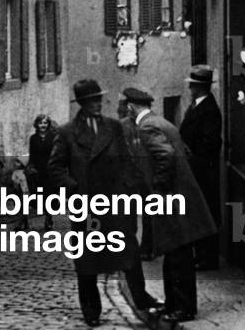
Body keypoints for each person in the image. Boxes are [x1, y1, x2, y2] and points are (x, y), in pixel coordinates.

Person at [47, 78, 160, 327]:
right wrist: (74, 188)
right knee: (87, 260)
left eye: (99, 99)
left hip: (115, 201)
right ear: (82, 104)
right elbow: (55, 168)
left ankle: (141, 298)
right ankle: (91, 310)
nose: (98, 104)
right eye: (92, 101)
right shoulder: (67, 132)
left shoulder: (113, 127)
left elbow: (127, 161)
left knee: (128, 251)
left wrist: (132, 193)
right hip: (86, 206)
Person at [123, 86, 217, 324]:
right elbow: (185, 152)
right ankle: (174, 303)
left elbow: (166, 156)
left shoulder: (146, 127)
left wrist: (159, 189)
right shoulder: (163, 122)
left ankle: (183, 308)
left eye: (127, 107)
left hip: (170, 199)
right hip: (180, 196)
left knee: (177, 255)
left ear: (132, 107)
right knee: (175, 252)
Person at [179, 65, 222, 270]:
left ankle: (208, 257)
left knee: (205, 213)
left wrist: (193, 158)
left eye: (193, 86)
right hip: (196, 169)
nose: (190, 89)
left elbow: (210, 142)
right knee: (197, 213)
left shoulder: (209, 109)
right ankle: (201, 255)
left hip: (203, 171)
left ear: (200, 87)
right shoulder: (196, 106)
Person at [27, 114, 57, 230]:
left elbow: (57, 153)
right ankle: (45, 215)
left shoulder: (54, 137)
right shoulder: (33, 138)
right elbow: (32, 154)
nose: (43, 125)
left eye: (45, 123)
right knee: (40, 195)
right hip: (38, 171)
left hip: (50, 170)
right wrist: (31, 166)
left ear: (48, 124)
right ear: (37, 125)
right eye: (40, 123)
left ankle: (49, 218)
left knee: (50, 195)